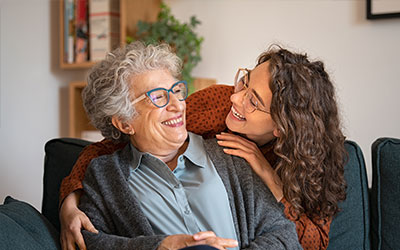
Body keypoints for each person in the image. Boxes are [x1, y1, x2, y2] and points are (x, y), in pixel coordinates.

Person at [59, 44, 347, 250]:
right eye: (244, 83)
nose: (237, 99)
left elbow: (299, 239)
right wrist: (68, 203)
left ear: (281, 127)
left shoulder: (242, 160)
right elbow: (105, 149)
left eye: (254, 101)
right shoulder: (218, 106)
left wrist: (267, 175)